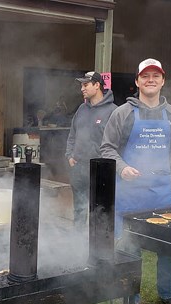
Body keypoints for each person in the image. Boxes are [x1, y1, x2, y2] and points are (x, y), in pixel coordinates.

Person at [101, 58, 171, 304]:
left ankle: (168, 293)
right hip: (130, 196)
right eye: (145, 76)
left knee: (168, 249)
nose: (151, 80)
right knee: (129, 250)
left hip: (162, 194)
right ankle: (131, 299)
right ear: (137, 81)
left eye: (156, 76)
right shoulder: (123, 113)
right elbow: (107, 148)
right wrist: (122, 167)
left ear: (163, 81)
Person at [65, 71, 117, 227]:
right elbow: (72, 134)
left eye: (85, 85)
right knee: (79, 210)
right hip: (78, 167)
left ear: (97, 85)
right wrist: (69, 156)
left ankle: (98, 246)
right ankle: (77, 241)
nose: (82, 88)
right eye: (81, 85)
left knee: (99, 210)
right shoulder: (82, 108)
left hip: (100, 170)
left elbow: (117, 142)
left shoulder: (113, 111)